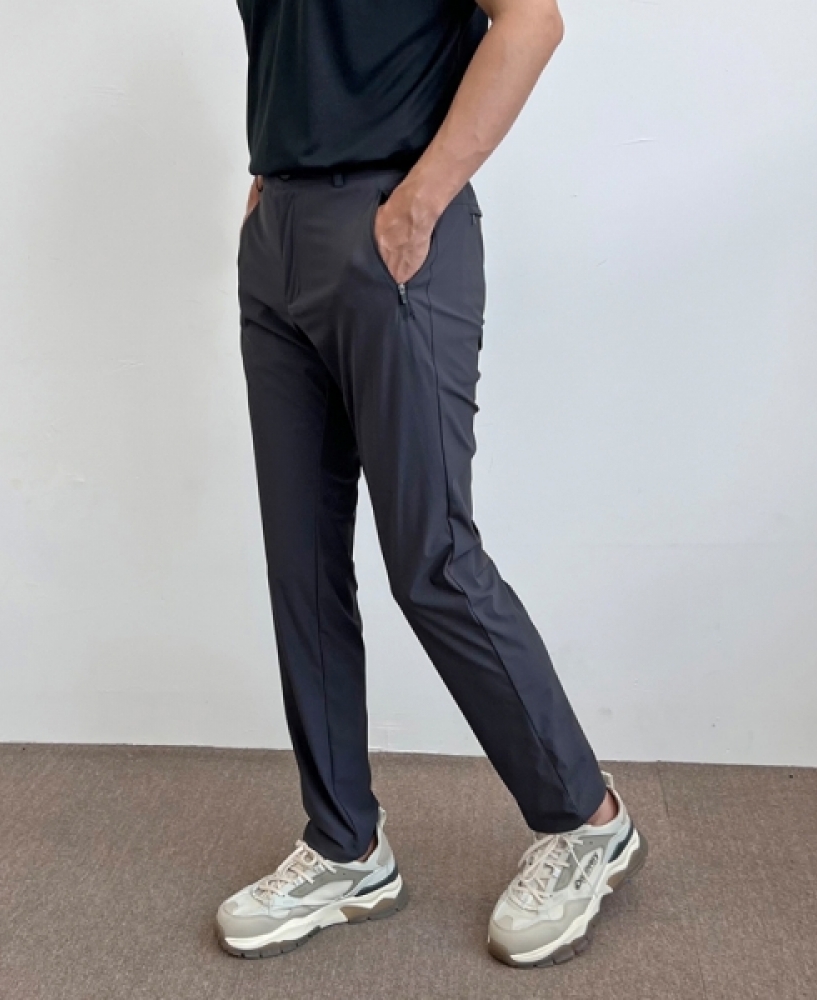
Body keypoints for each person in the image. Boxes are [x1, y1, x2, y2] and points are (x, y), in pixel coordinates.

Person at [215, 0, 648, 968]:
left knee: (433, 558)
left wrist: (420, 199)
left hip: (394, 224)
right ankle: (345, 843)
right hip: (279, 234)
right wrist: (269, 188)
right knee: (300, 563)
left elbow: (530, 22)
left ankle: (588, 819)